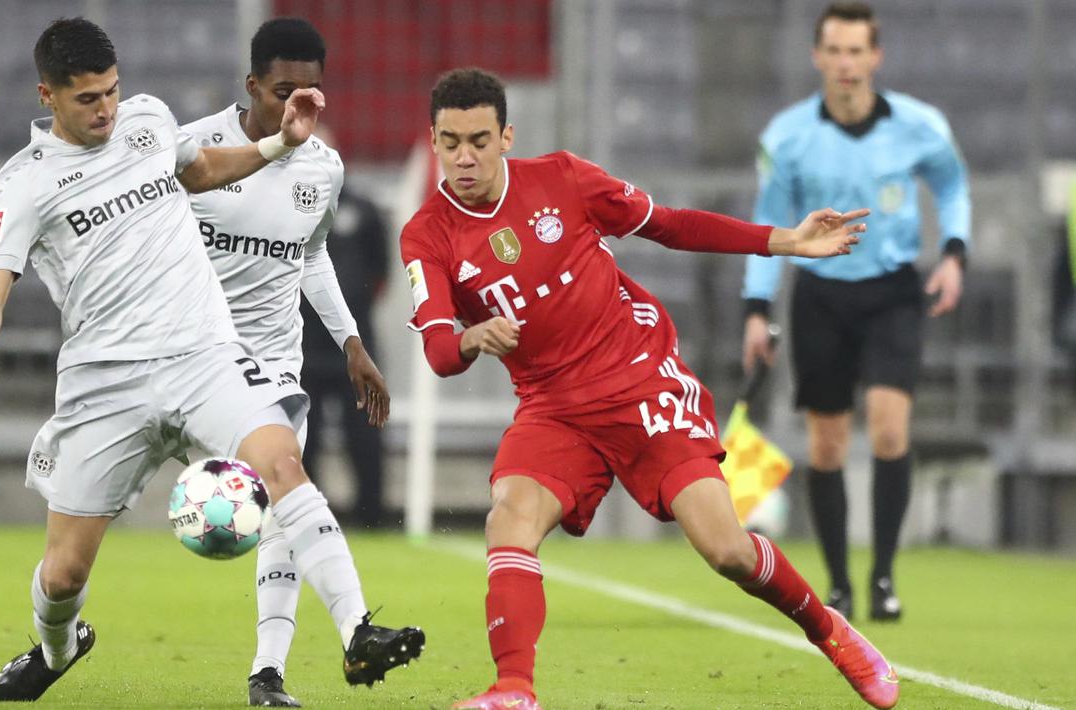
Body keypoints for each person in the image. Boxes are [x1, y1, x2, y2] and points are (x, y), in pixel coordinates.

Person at [0, 18, 421, 703]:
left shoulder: (148, 121)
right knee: (64, 574)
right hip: (107, 383)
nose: (105, 110)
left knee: (282, 463)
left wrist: (280, 143)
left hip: (203, 353)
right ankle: (57, 648)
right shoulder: (22, 185)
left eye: (111, 91)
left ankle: (358, 629)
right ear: (47, 94)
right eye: (87, 100)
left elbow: (204, 168)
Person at [401, 67, 898, 710]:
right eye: (450, 142)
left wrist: (783, 242)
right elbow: (440, 353)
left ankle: (829, 631)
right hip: (553, 406)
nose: (463, 157)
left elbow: (669, 224)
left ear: (506, 137)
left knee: (726, 551)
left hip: (639, 379)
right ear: (433, 140)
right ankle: (514, 691)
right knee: (510, 518)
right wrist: (472, 338)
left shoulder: (565, 179)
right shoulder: (427, 233)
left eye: (478, 139)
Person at [182, 18, 390, 707]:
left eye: (312, 93)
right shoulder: (198, 149)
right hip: (187, 358)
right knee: (80, 528)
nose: (298, 106)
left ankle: (270, 672)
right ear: (251, 87)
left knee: (281, 507)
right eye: (282, 92)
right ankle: (55, 635)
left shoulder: (323, 167)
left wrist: (352, 341)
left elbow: (309, 256)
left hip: (272, 368)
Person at [741, 1, 970, 623]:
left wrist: (954, 253)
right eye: (834, 51)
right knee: (828, 443)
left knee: (891, 428)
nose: (845, 63)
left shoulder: (920, 126)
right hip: (820, 295)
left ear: (876, 56)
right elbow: (770, 225)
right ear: (817, 57)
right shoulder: (788, 137)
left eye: (856, 50)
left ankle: (885, 577)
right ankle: (839, 583)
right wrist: (757, 307)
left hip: (894, 291)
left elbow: (952, 186)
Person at [298, 126, 391, 530]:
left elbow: (381, 273)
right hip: (300, 345)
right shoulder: (282, 207)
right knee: (304, 439)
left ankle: (372, 518)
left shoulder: (362, 208)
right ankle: (306, 519)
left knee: (366, 435)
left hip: (355, 346)